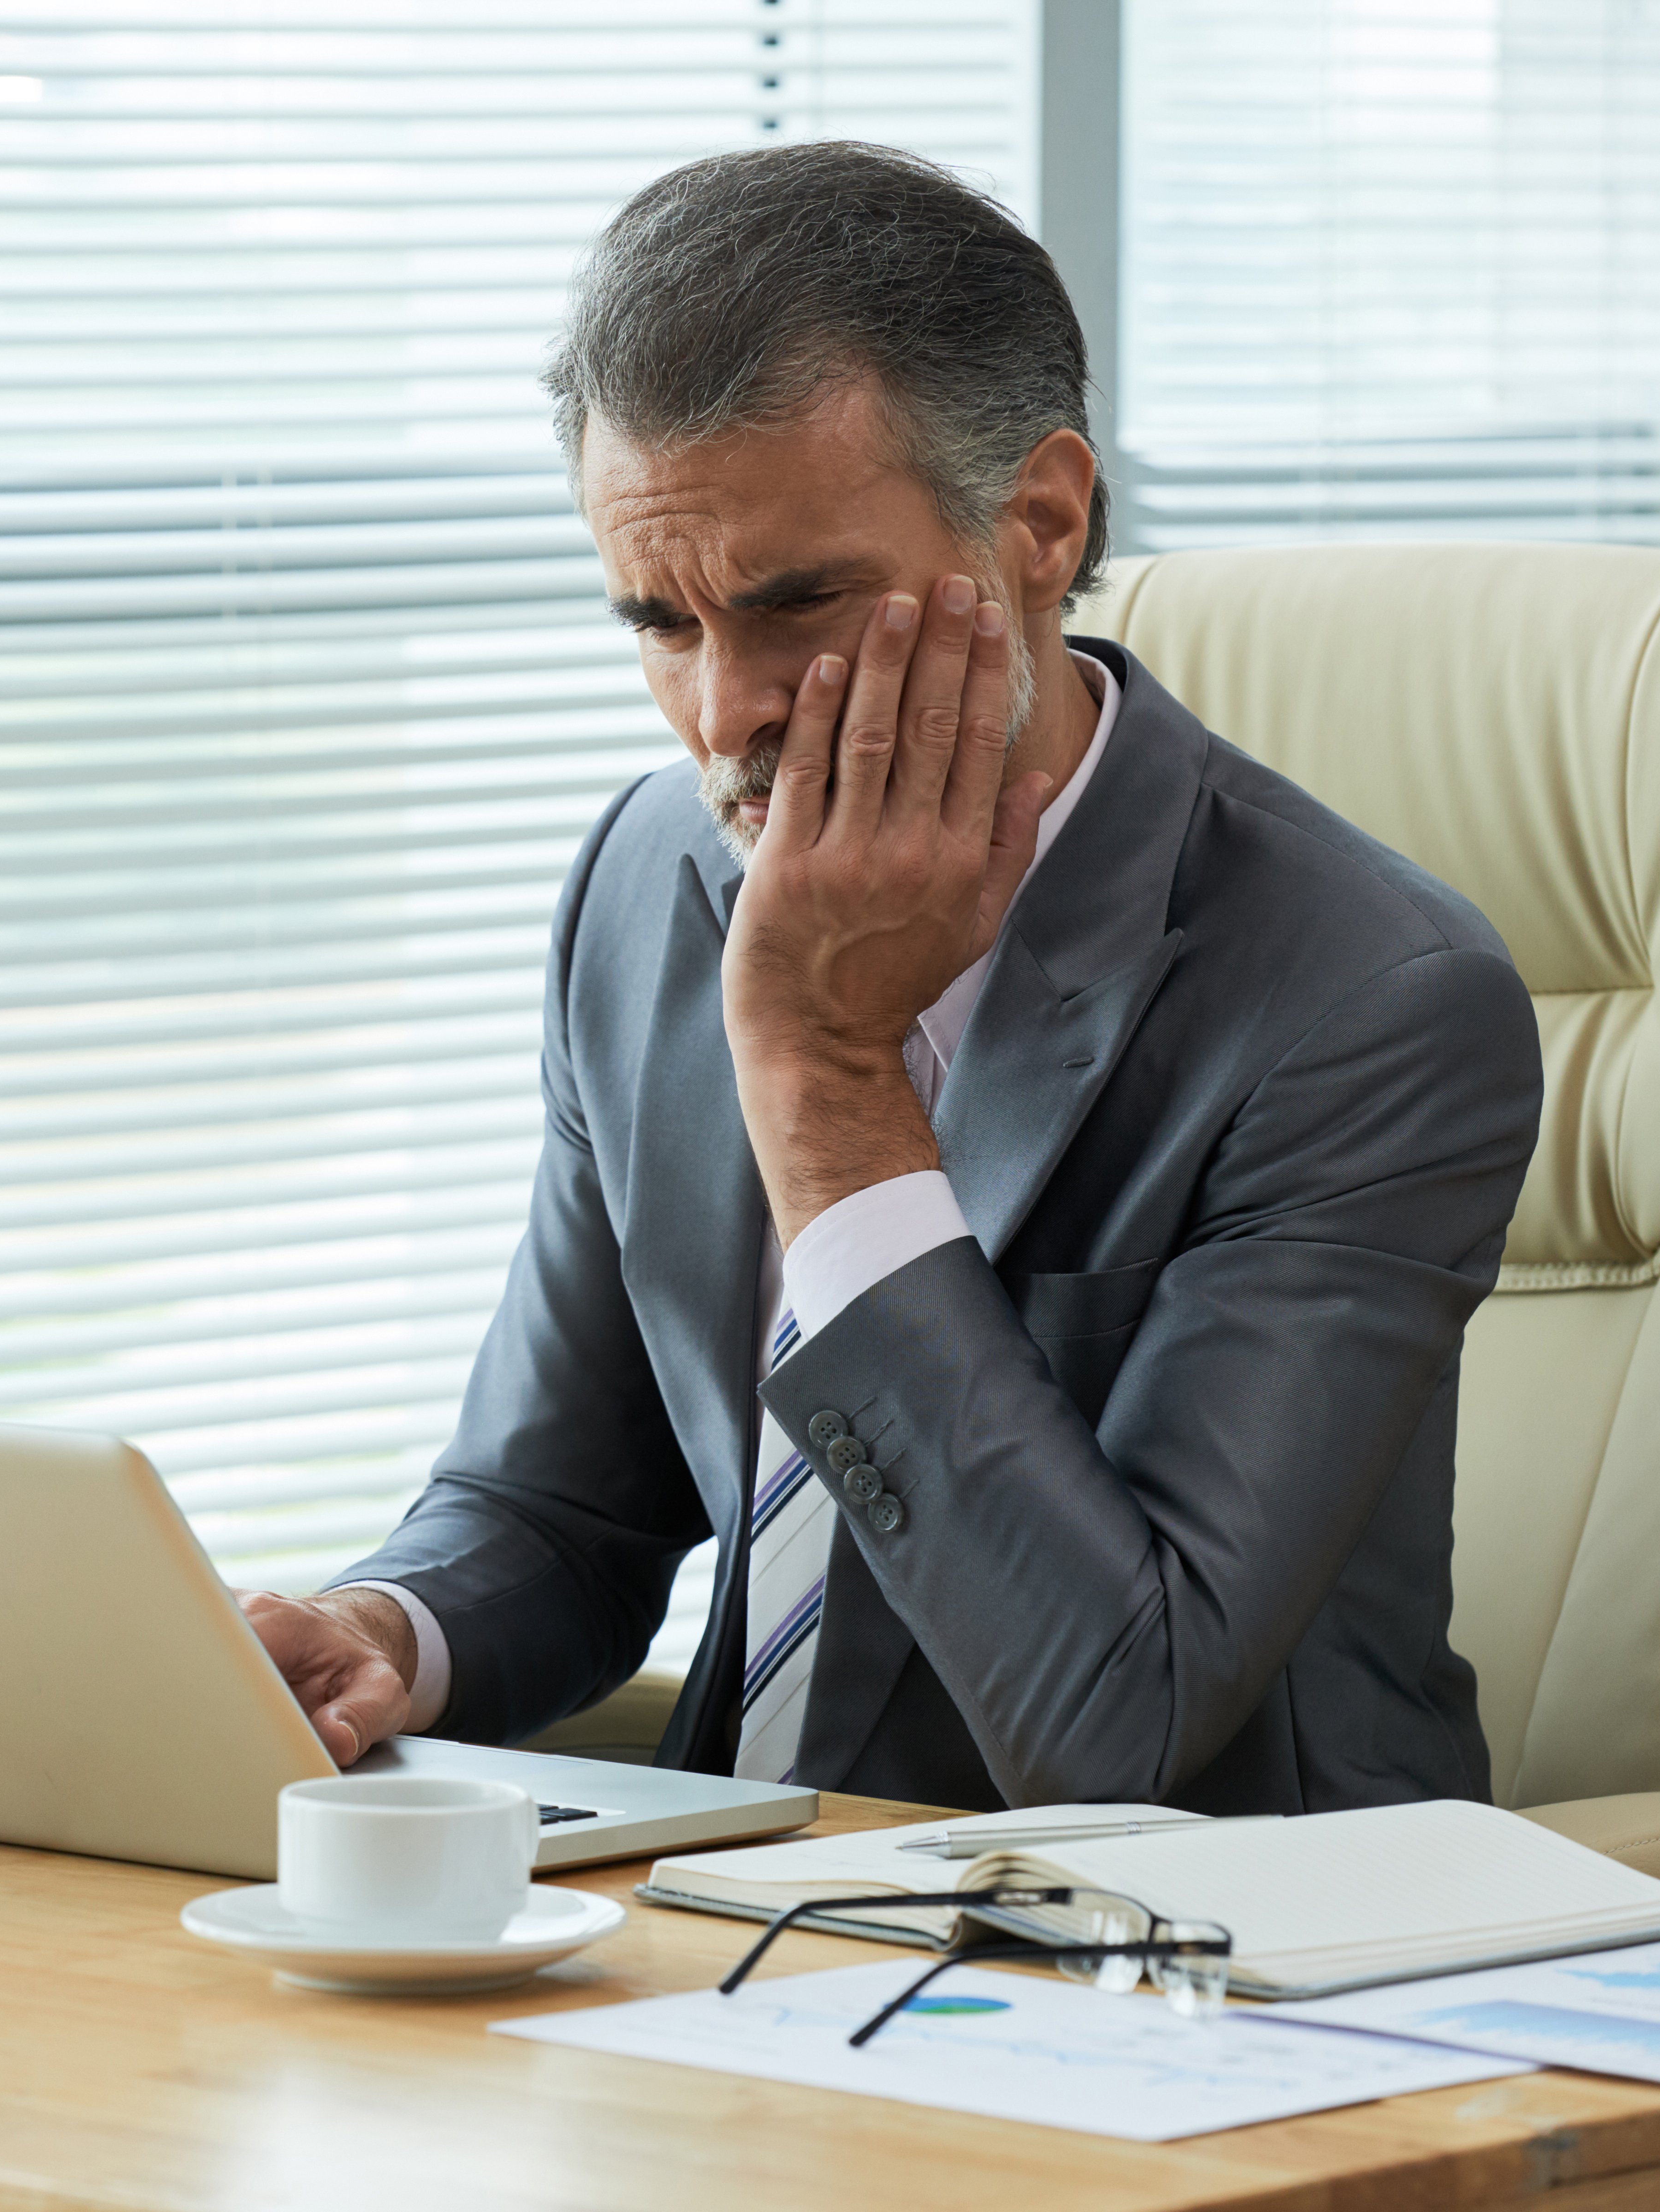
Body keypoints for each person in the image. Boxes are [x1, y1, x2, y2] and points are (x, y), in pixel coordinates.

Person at [240, 142, 1544, 1815]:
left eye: (800, 605)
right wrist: (388, 1629)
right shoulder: (650, 879)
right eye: (660, 621)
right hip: (738, 1928)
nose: (725, 714)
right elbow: (565, 1506)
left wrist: (828, 1082)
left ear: (1043, 523)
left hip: (1201, 1972)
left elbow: (1117, 1720)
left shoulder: (1371, 1000)